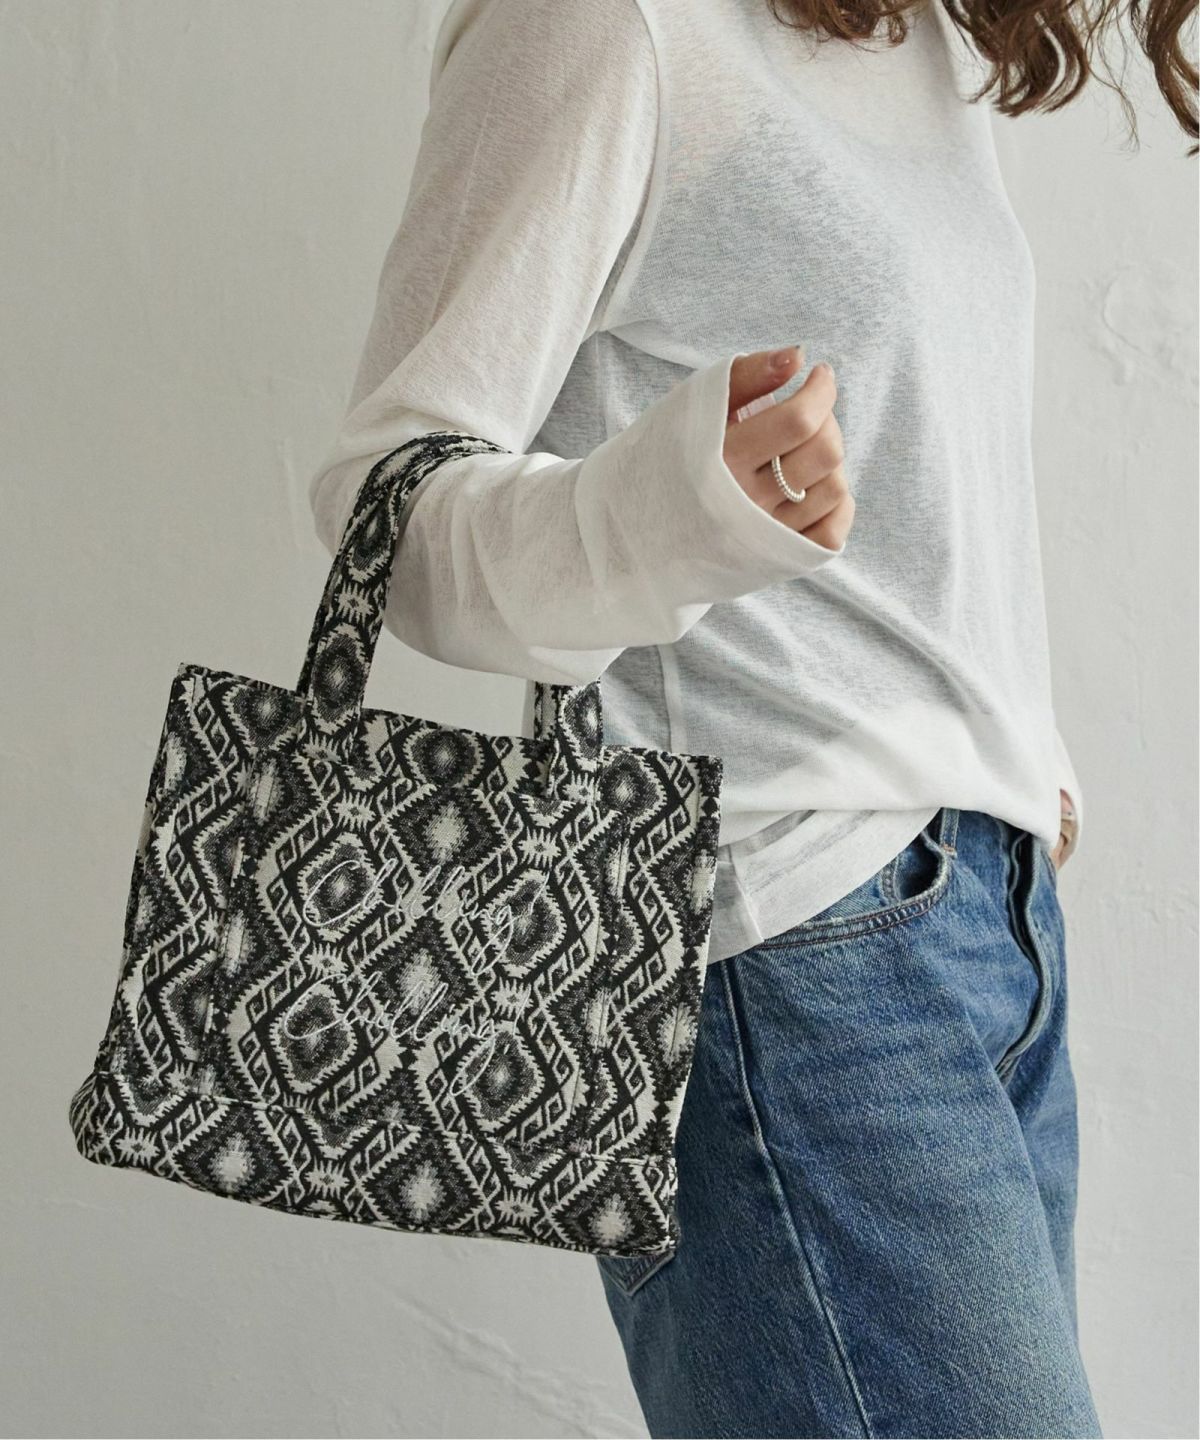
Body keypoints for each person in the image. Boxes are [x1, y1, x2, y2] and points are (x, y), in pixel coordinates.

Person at [308, 1, 1194, 1434]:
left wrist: (1008, 762)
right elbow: (384, 501)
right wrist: (674, 509)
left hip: (992, 921)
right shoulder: (607, 24)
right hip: (782, 940)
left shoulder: (909, 39)